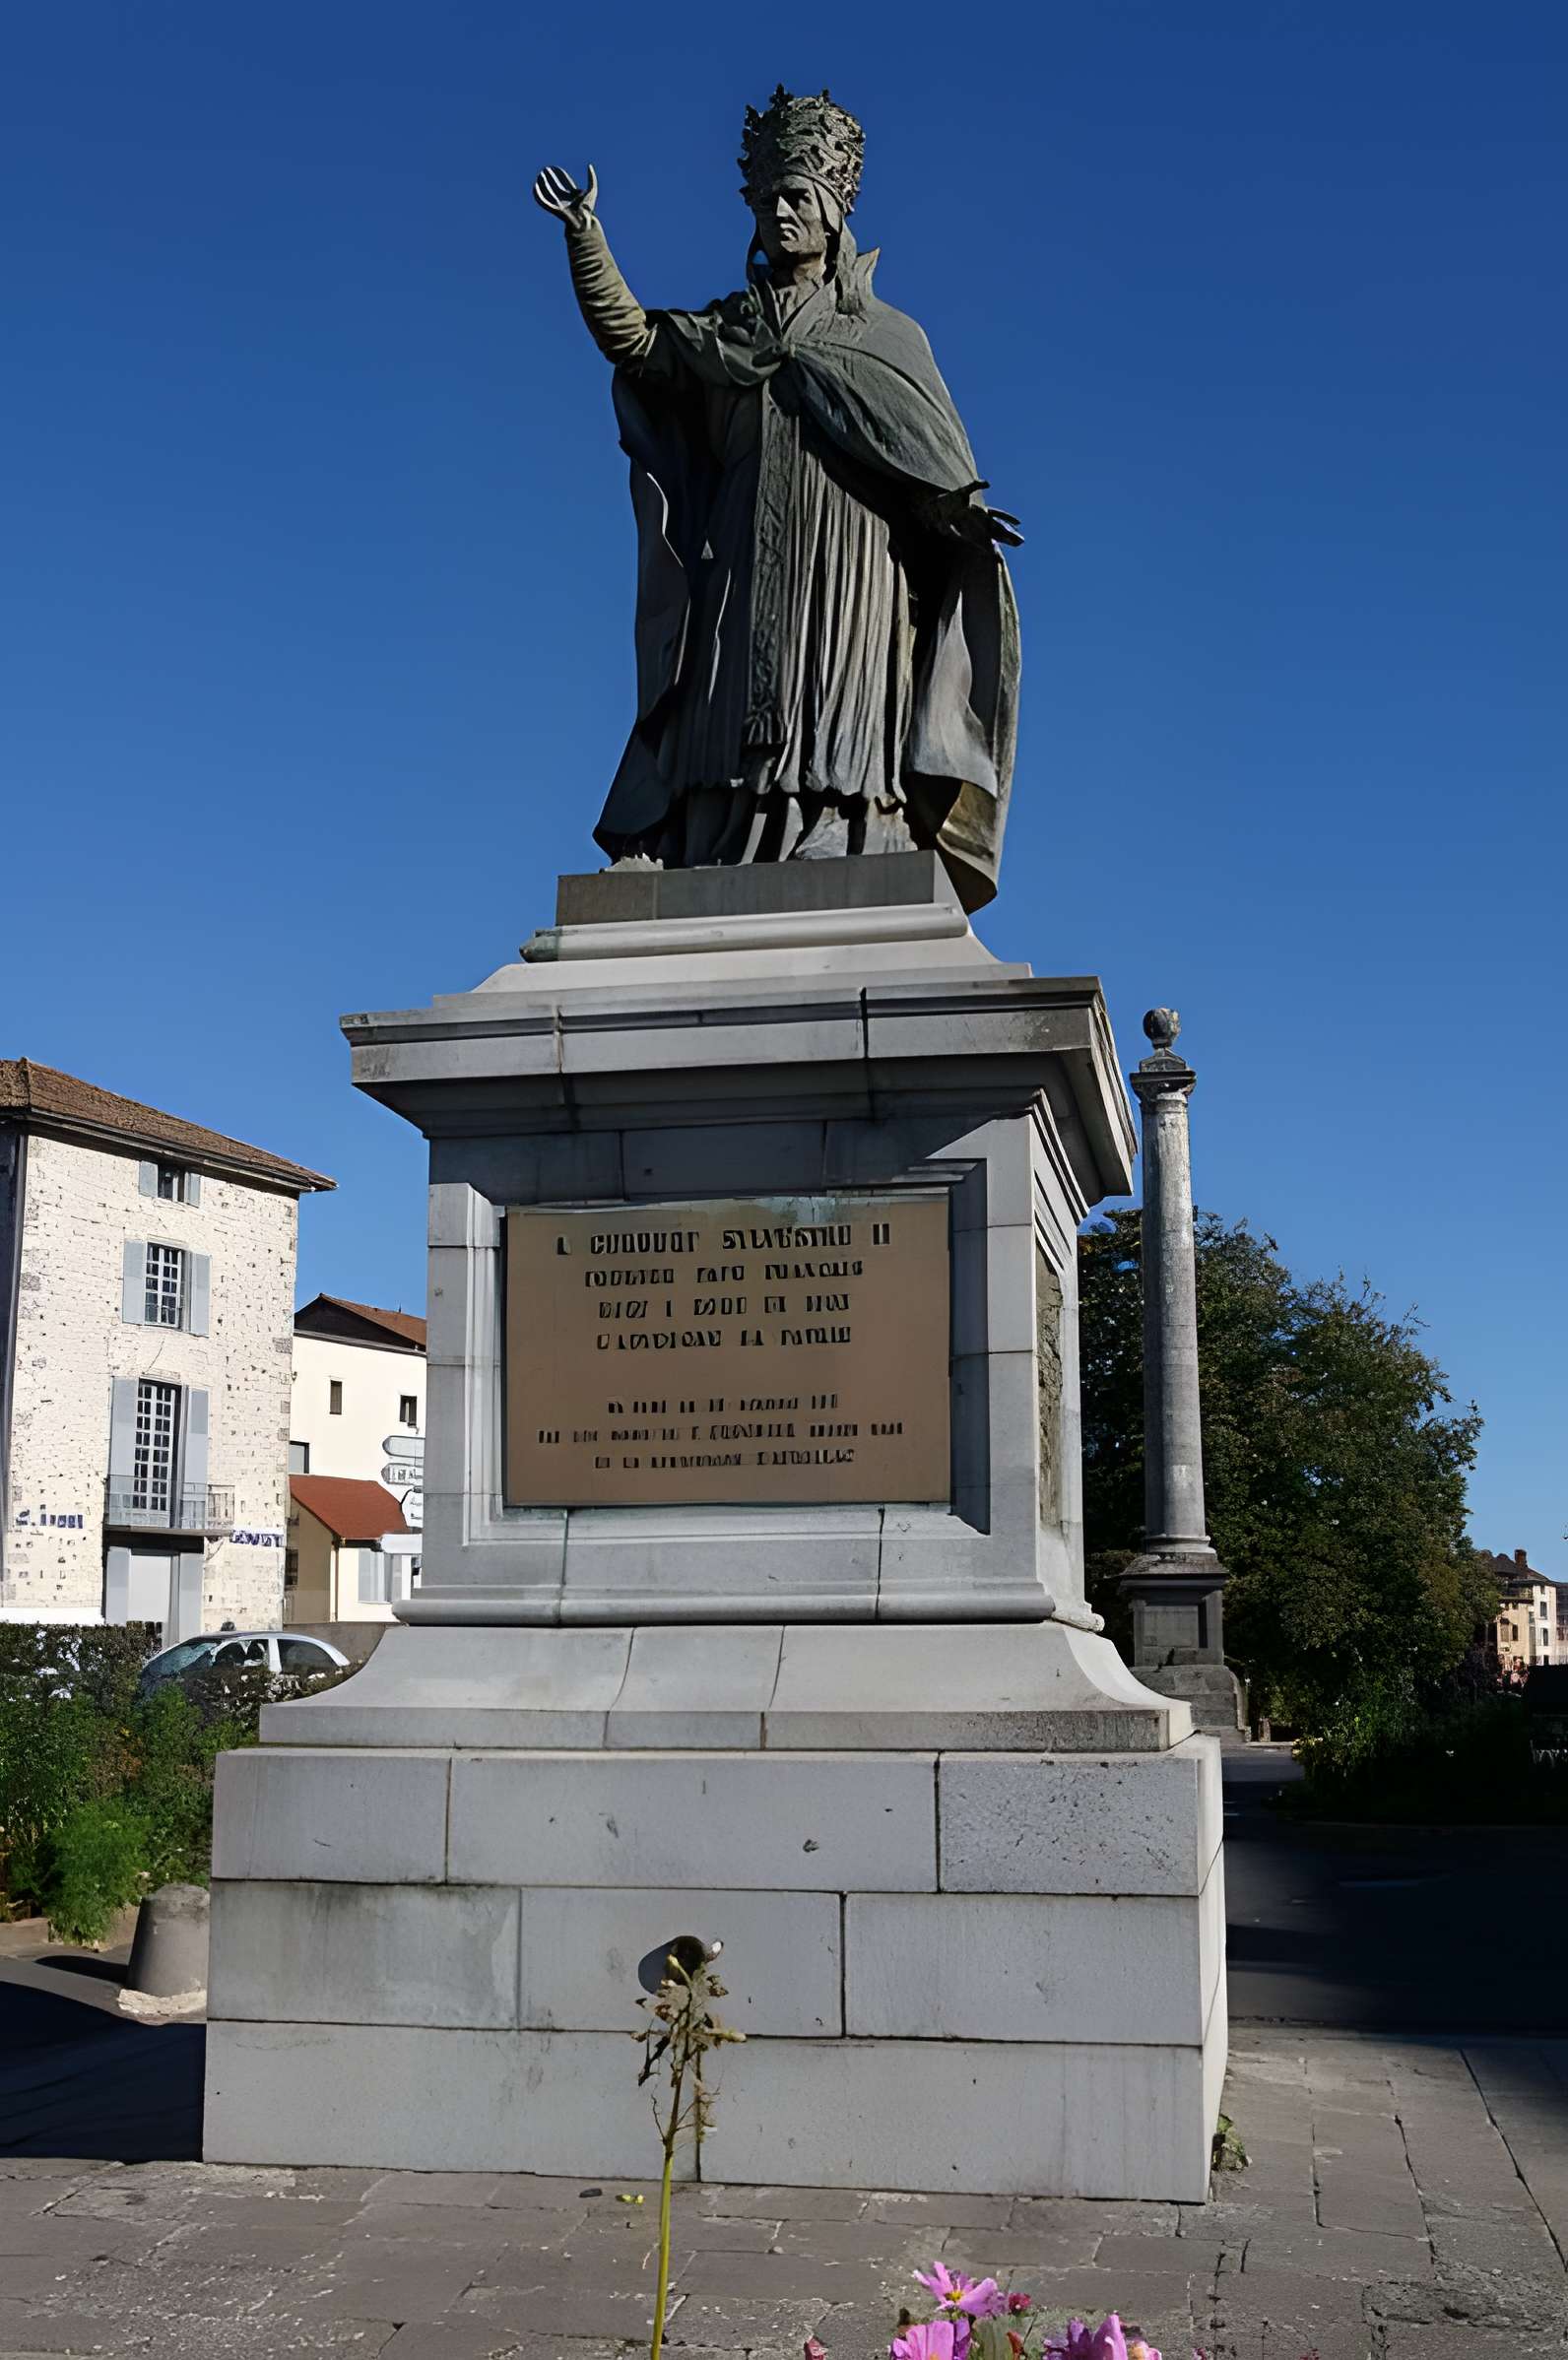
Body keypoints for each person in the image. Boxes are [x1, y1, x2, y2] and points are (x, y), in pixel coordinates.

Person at [535, 86, 1021, 912]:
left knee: (836, 686)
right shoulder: (729, 328)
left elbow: (925, 448)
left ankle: (845, 823)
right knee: (718, 688)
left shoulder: (887, 335)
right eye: (768, 199)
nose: (781, 212)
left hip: (854, 554)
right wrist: (587, 239)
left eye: (799, 196)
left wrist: (955, 509)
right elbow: (639, 343)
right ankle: (709, 831)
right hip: (740, 543)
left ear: (835, 214)